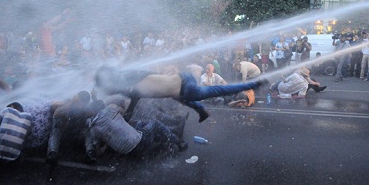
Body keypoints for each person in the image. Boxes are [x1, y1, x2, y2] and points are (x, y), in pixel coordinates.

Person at [95, 66, 268, 123]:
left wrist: (124, 118)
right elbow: (131, 99)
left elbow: (130, 101)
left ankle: (254, 83)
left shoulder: (133, 90)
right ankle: (202, 111)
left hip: (186, 89)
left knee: (221, 90)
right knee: (175, 95)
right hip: (182, 80)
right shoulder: (136, 81)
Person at [87, 102, 187, 157]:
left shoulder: (93, 128)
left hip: (128, 153)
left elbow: (98, 152)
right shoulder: (110, 110)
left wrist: (105, 146)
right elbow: (123, 111)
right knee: (155, 123)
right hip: (139, 143)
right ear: (102, 107)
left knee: (139, 123)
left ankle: (169, 134)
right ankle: (178, 142)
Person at [46, 91, 100, 166]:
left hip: (67, 135)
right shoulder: (86, 108)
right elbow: (92, 114)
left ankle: (53, 152)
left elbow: (56, 114)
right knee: (87, 130)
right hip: (78, 134)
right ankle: (90, 152)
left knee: (56, 130)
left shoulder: (69, 106)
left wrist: (71, 103)